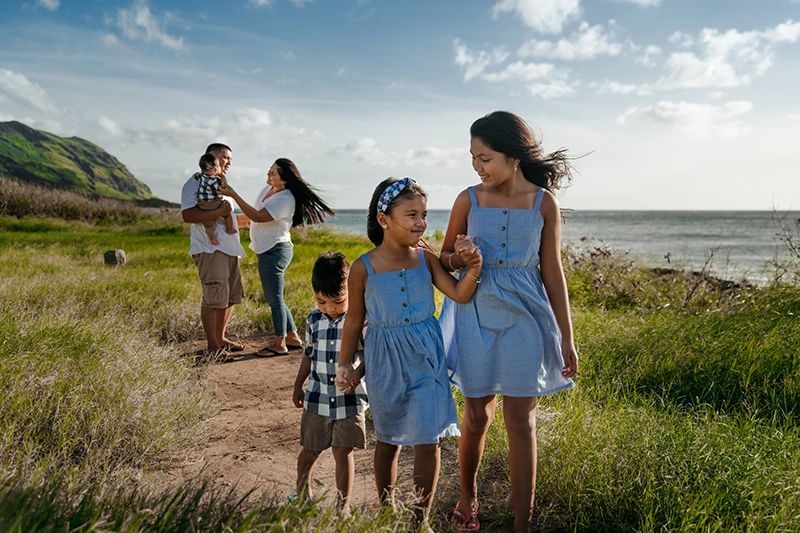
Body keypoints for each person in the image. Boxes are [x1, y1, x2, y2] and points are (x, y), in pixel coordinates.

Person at [439, 111, 579, 533]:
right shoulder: (468, 199)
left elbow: (552, 272)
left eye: (485, 158)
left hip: (526, 319)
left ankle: (524, 523)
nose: (477, 167)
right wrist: (460, 259)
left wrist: (567, 338)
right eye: (473, 157)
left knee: (522, 421)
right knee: (477, 415)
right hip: (474, 313)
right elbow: (442, 260)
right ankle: (468, 495)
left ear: (514, 158)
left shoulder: (543, 203)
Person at [336, 177, 483, 529]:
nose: (420, 222)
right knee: (387, 441)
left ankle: (419, 520)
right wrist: (346, 365)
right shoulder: (363, 267)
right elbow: (355, 320)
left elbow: (459, 294)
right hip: (385, 363)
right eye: (411, 214)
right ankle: (387, 511)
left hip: (425, 360)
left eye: (424, 215)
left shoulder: (426, 260)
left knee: (428, 440)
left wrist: (474, 268)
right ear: (383, 219)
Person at [219, 158, 334, 356]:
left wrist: (233, 194)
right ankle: (292, 337)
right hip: (266, 250)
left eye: (273, 173)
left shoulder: (286, 199)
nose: (268, 175)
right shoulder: (267, 191)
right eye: (269, 171)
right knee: (275, 297)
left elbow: (258, 216)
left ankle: (279, 343)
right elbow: (251, 216)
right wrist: (224, 218)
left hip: (275, 250)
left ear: (285, 180)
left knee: (275, 299)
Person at [291, 251, 368, 513]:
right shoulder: (314, 319)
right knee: (311, 448)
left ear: (350, 291)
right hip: (317, 397)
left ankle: (342, 506)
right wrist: (298, 384)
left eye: (337, 301)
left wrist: (357, 375)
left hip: (349, 399)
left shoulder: (360, 319)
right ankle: (302, 492)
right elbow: (308, 355)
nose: (330, 308)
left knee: (343, 453)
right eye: (322, 302)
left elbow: (368, 355)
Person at [181, 143, 246, 353]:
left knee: (229, 297)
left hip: (229, 249)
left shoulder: (221, 182)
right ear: (211, 156)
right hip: (210, 249)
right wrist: (221, 211)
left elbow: (225, 211)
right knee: (214, 296)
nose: (228, 162)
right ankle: (212, 347)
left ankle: (221, 339)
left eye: (230, 159)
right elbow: (188, 215)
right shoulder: (194, 182)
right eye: (225, 157)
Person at [195, 153, 237, 246]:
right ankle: (230, 229)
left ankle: (212, 239)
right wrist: (222, 177)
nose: (215, 170)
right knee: (227, 212)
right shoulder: (214, 180)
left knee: (209, 224)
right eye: (212, 169)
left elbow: (195, 176)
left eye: (216, 167)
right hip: (213, 202)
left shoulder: (201, 176)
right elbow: (223, 188)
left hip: (202, 204)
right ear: (204, 170)